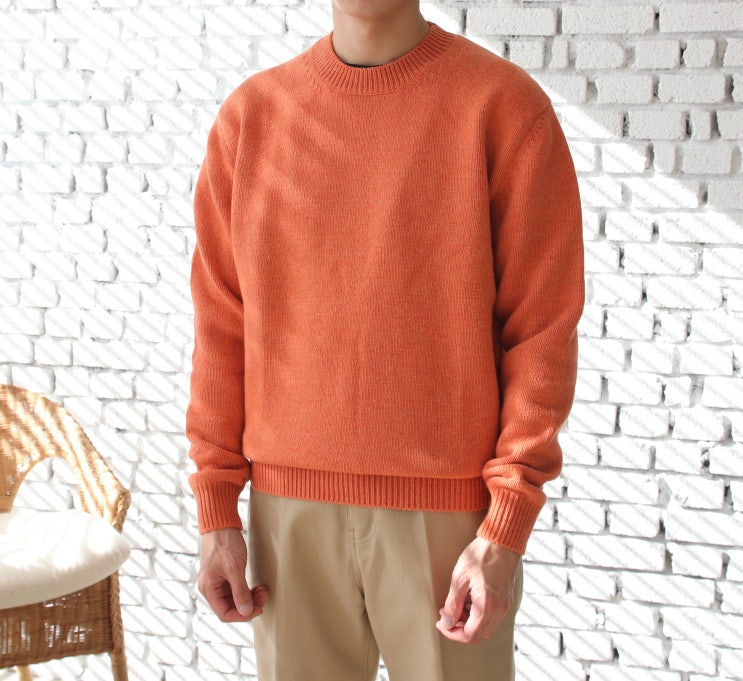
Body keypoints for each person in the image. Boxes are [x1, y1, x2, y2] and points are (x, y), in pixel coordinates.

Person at [186, 0, 584, 678]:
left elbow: (542, 328)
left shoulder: (502, 107)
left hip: (452, 516)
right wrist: (216, 508)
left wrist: (505, 526)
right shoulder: (252, 117)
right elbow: (221, 325)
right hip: (288, 513)